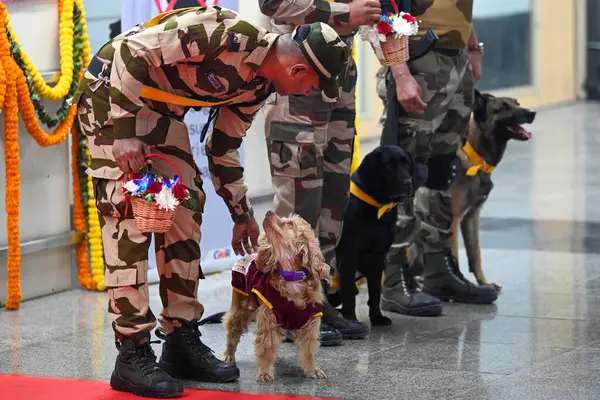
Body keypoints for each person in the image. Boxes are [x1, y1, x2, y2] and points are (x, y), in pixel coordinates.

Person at [73, 5, 350, 398]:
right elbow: (131, 52)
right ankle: (131, 350)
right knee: (130, 215)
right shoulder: (222, 33)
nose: (308, 94)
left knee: (184, 207)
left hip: (162, 111)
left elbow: (222, 148)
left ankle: (180, 338)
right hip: (114, 96)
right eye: (311, 87)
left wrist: (242, 215)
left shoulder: (258, 87)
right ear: (298, 70)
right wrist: (123, 130)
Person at [259, 0, 381, 346]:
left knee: (333, 196)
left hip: (339, 68)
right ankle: (286, 305)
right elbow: (273, 5)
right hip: (298, 66)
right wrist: (343, 14)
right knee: (300, 198)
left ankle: (314, 298)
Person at [377, 0, 498, 314]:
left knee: (443, 170)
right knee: (404, 171)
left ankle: (436, 268)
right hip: (419, 59)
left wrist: (472, 48)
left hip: (455, 60)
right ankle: (393, 278)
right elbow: (385, 10)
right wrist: (401, 74)